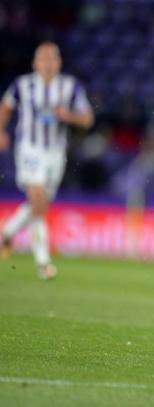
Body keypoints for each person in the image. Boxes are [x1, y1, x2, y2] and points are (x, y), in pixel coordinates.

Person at [0, 42, 94, 279]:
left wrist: (68, 116)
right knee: (38, 199)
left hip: (55, 153)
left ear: (59, 62)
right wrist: (0, 130)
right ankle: (43, 263)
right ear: (35, 62)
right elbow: (5, 106)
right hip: (30, 149)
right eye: (43, 58)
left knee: (39, 206)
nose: (48, 62)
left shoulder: (69, 87)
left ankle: (7, 232)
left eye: (53, 58)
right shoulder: (23, 85)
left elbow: (87, 119)